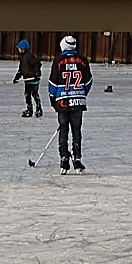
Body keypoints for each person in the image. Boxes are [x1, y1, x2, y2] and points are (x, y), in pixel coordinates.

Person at [50, 36, 92, 174]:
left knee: (63, 129)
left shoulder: (58, 61)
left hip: (62, 101)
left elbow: (53, 83)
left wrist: (53, 98)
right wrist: (81, 93)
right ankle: (77, 159)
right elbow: (88, 81)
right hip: (78, 102)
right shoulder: (83, 60)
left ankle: (63, 158)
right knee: (76, 130)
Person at [15, 39, 43, 118]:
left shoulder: (29, 56)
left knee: (34, 94)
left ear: (23, 48)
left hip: (33, 79)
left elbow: (37, 63)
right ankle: (29, 109)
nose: (18, 50)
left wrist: (36, 72)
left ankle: (38, 109)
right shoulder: (22, 57)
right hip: (27, 80)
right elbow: (21, 69)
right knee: (27, 95)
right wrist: (17, 77)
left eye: (19, 48)